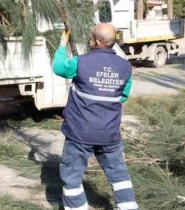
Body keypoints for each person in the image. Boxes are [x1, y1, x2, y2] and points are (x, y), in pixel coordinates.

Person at [53, 24, 138, 210]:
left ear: (97, 42)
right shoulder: (125, 67)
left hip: (79, 135)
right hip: (109, 134)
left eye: (91, 38)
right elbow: (123, 96)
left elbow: (58, 68)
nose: (89, 40)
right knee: (119, 175)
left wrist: (62, 45)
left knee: (72, 178)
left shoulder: (80, 62)